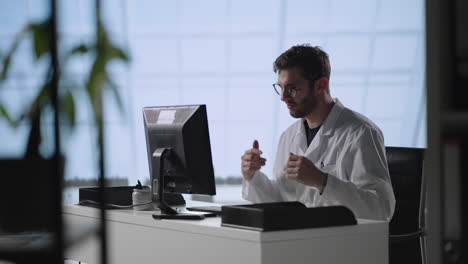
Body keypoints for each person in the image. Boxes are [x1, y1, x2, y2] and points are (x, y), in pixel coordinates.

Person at [240, 44, 395, 221]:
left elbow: (380, 210)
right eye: (280, 87)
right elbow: (282, 201)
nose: (283, 97)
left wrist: (322, 181)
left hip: (341, 243)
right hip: (301, 239)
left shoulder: (361, 133)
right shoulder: (288, 136)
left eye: (292, 88)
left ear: (321, 85)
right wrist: (252, 176)